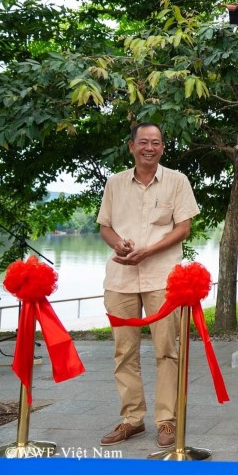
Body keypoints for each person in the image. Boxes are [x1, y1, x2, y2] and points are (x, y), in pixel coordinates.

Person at [96, 123, 199, 448]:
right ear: (131, 147)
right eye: (143, 142)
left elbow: (183, 228)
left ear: (163, 148)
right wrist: (118, 245)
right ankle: (131, 419)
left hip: (162, 279)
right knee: (123, 351)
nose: (149, 148)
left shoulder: (177, 181)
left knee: (167, 350)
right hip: (121, 277)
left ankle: (166, 420)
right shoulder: (114, 183)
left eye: (155, 143)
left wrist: (148, 250)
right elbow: (106, 227)